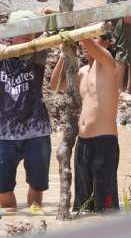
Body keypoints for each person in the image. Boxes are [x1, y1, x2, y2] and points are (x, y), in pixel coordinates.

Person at [0, 11, 52, 211]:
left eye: (30, 30)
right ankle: (14, 218)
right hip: (7, 132)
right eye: (21, 29)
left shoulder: (37, 52)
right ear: (10, 33)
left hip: (37, 131)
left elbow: (58, 33)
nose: (27, 34)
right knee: (1, 189)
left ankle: (35, 223)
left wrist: (54, 17)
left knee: (36, 186)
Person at [50, 30, 124, 211]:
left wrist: (72, 29)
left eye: (94, 37)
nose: (85, 45)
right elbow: (55, 86)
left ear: (106, 42)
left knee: (106, 208)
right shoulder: (82, 72)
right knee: (83, 207)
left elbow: (86, 40)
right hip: (82, 144)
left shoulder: (108, 63)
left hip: (104, 143)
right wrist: (63, 53)